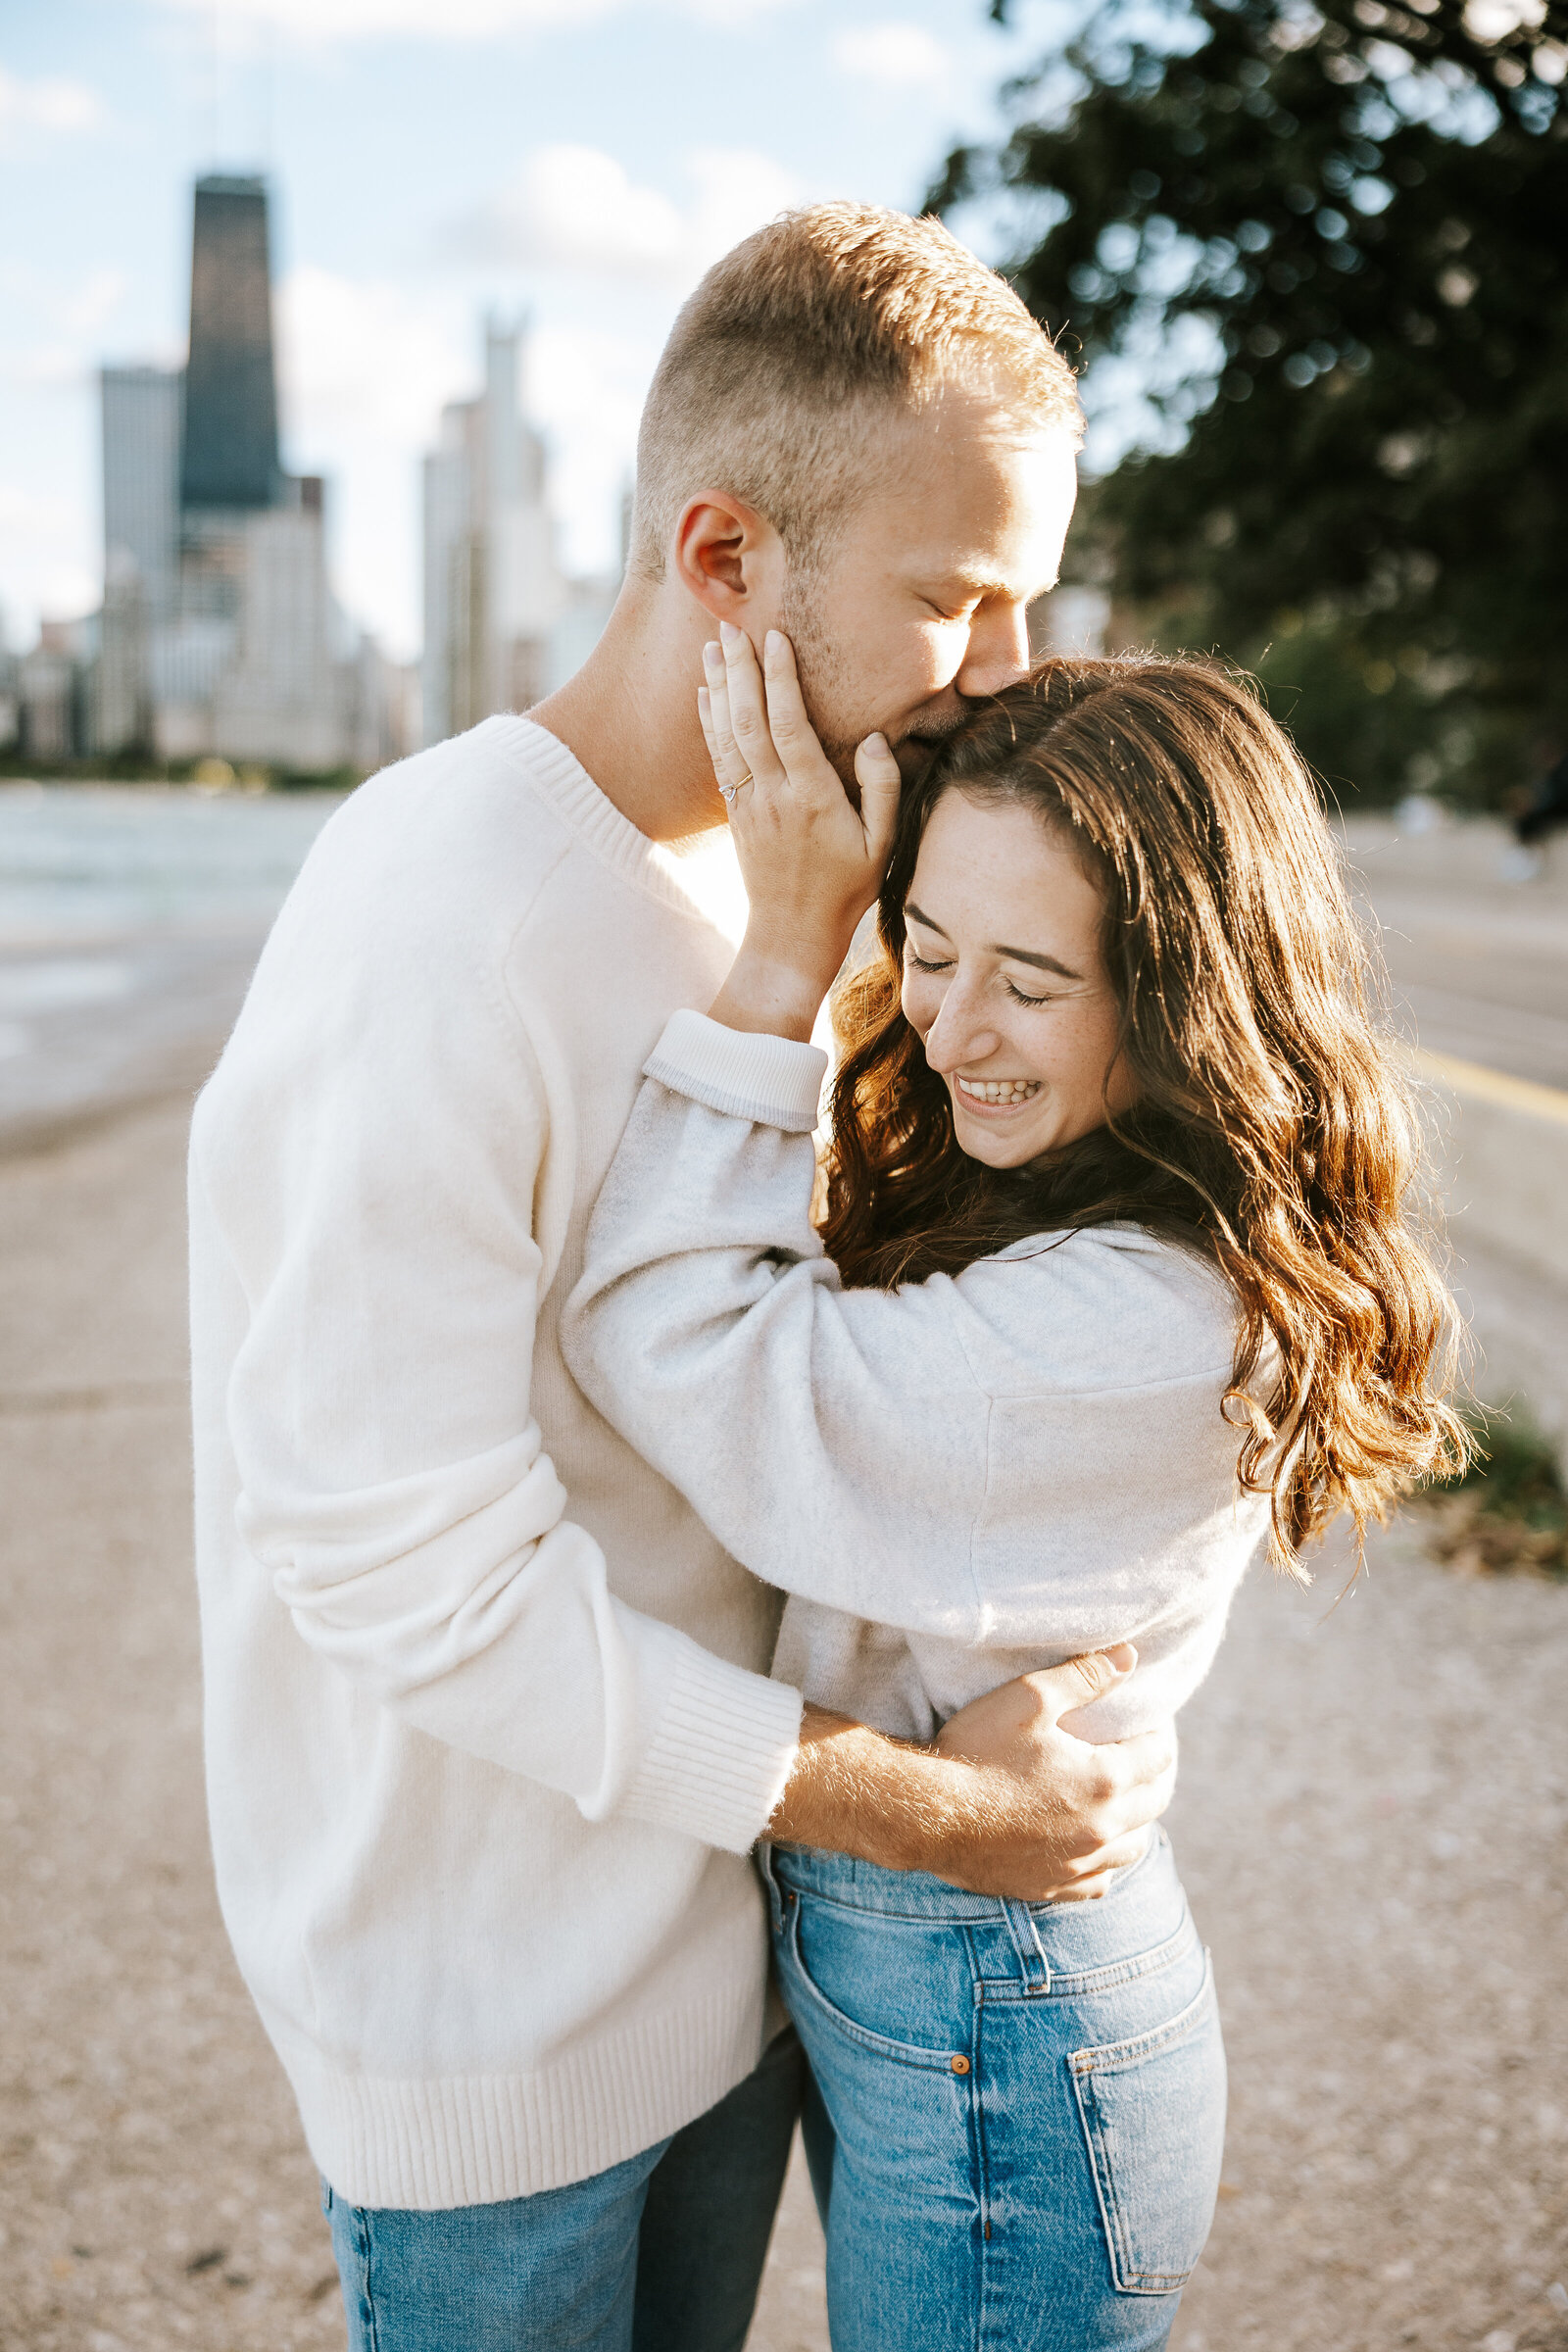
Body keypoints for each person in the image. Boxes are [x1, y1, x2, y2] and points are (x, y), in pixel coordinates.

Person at [187, 204, 1179, 2352]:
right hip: (492, 2046)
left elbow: (823, 1383)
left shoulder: (783, 883)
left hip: (720, 1958)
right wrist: (937, 1807)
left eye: (1032, 596)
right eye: (954, 596)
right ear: (722, 560)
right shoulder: (431, 917)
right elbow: (409, 1580)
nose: (1008, 669)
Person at [563, 630, 1470, 2350]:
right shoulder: (1070, 1176)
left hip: (1005, 2010)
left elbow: (675, 1345)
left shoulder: (1152, 1321)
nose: (952, 1028)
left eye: (1031, 984)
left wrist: (775, 953)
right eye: (925, 945)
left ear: (1187, 994)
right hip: (943, 1973)